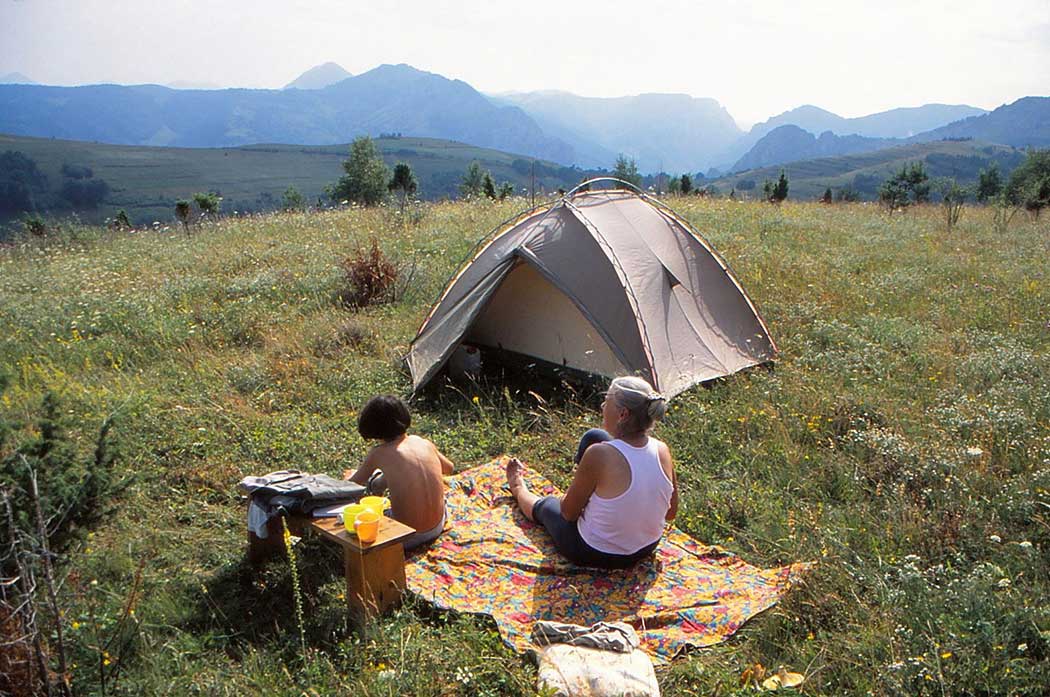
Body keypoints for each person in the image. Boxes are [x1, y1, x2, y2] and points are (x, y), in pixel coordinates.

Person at [506, 376, 678, 569]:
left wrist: (569, 499)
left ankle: (517, 487)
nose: (603, 405)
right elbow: (670, 513)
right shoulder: (662, 449)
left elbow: (569, 514)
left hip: (595, 552)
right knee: (594, 436)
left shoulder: (599, 455)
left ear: (623, 414)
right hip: (647, 546)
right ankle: (593, 488)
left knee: (548, 506)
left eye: (608, 401)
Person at [344, 395, 454, 550]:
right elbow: (449, 468)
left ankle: (375, 484)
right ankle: (377, 482)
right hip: (437, 527)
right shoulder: (423, 442)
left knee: (362, 520)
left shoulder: (379, 453)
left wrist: (348, 477)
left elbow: (350, 487)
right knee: (388, 480)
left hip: (405, 536)